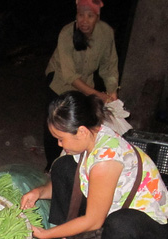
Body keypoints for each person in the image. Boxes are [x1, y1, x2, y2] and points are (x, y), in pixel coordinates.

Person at [21, 92, 168, 239]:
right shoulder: (92, 138)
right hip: (114, 215)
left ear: (82, 131)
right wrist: (39, 192)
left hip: (150, 234)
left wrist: (44, 234)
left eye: (61, 138)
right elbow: (76, 180)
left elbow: (94, 220)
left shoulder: (106, 160)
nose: (59, 144)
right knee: (64, 167)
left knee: (120, 223)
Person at [43, 0, 120, 172]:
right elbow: (70, 75)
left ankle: (76, 164)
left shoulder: (105, 33)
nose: (84, 20)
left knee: (79, 125)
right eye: (80, 15)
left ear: (97, 17)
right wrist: (97, 95)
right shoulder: (66, 33)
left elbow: (109, 67)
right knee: (56, 124)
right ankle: (52, 165)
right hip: (59, 82)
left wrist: (112, 92)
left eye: (90, 16)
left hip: (86, 82)